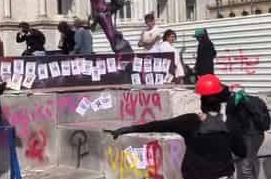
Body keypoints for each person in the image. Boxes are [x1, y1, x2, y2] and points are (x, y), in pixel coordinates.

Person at [105, 74, 246, 179]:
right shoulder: (231, 123)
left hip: (194, 174)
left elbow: (159, 125)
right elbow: (241, 152)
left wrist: (129, 129)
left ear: (202, 101)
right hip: (222, 174)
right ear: (220, 101)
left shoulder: (191, 121)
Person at [226, 89, 270, 179]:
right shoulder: (256, 100)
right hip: (258, 135)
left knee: (246, 167)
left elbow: (230, 120)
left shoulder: (235, 102)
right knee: (249, 162)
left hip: (249, 136)